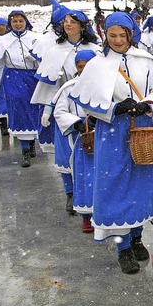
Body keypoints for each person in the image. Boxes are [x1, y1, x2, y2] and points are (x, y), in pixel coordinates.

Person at [68, 12, 153, 274]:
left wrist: (145, 106)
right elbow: (87, 101)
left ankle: (137, 237)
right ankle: (122, 247)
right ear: (105, 35)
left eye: (122, 35)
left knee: (142, 185)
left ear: (131, 34)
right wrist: (114, 109)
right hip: (112, 134)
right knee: (116, 187)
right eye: (112, 35)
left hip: (143, 129)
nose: (117, 40)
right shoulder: (97, 64)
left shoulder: (145, 61)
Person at [33, 9, 99, 207]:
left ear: (82, 25)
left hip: (91, 106)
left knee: (91, 154)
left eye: (73, 21)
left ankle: (91, 194)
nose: (68, 25)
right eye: (65, 22)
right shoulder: (55, 51)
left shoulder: (95, 49)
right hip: (64, 105)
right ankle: (70, 193)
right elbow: (49, 83)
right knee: (66, 155)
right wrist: (47, 107)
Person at [0, 10, 40, 167]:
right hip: (13, 78)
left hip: (32, 78)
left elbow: (45, 62)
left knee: (33, 110)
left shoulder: (35, 38)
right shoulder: (4, 41)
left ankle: (32, 142)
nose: (18, 24)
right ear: (10, 24)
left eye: (21, 21)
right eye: (14, 21)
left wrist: (36, 59)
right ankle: (24, 150)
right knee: (19, 110)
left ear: (25, 22)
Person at [52, 49, 97, 233]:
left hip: (103, 137)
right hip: (81, 140)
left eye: (88, 66)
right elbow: (60, 112)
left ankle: (101, 214)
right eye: (80, 66)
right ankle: (86, 216)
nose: (83, 70)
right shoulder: (69, 88)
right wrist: (77, 123)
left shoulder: (107, 85)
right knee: (85, 178)